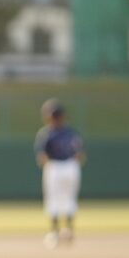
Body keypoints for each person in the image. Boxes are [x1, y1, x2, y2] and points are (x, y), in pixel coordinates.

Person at [35, 98, 85, 248]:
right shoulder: (71, 133)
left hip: (55, 167)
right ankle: (68, 231)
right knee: (69, 198)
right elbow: (80, 155)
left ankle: (55, 233)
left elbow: (42, 157)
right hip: (71, 167)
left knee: (53, 199)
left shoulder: (46, 134)